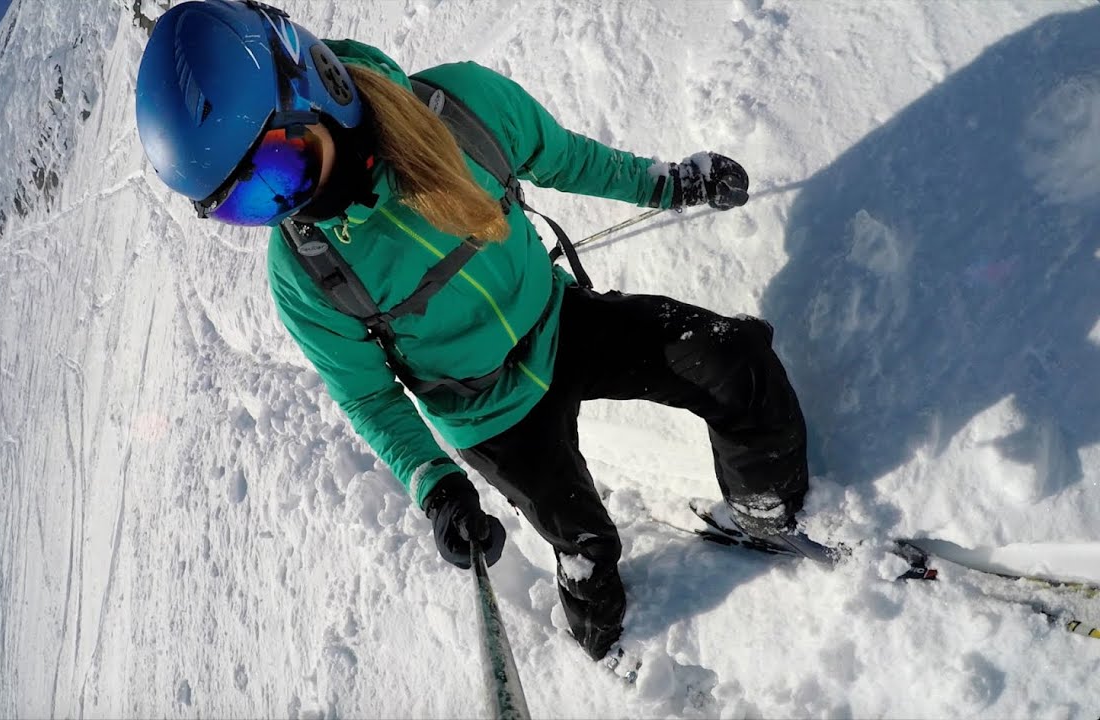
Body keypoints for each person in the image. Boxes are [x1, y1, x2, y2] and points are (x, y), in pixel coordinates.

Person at [135, 0, 811, 661]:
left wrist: (672, 186)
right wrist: (435, 483)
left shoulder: (460, 108)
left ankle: (764, 512)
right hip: (491, 414)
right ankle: (604, 649)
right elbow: (369, 397)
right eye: (248, 206)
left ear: (320, 86)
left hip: (559, 319)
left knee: (734, 359)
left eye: (281, 168)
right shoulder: (306, 274)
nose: (288, 205)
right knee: (588, 549)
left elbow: (567, 158)